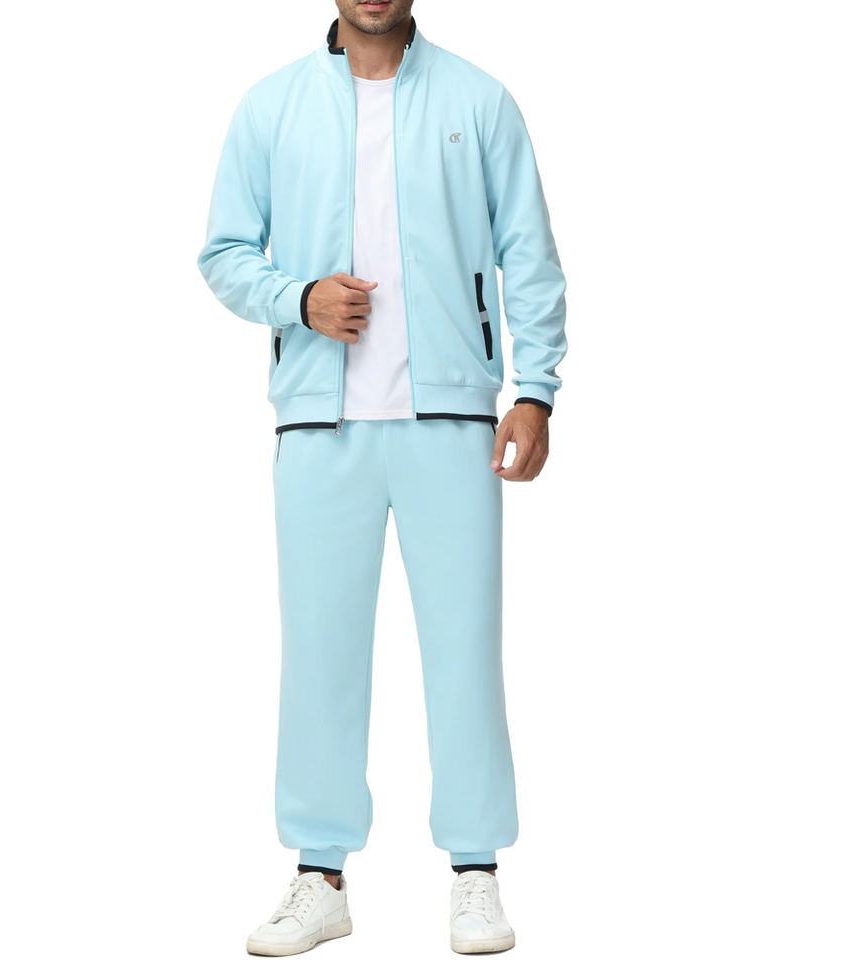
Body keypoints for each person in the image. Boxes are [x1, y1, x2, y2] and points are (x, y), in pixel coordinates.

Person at [197, 2, 567, 954]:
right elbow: (224, 254)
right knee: (319, 655)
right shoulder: (271, 107)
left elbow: (528, 253)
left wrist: (536, 391)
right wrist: (299, 298)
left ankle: (476, 874)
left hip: (452, 421)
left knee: (465, 650)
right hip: (319, 422)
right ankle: (320, 876)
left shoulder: (479, 101)